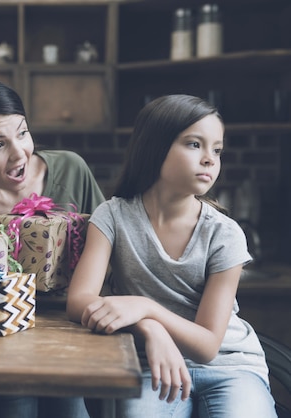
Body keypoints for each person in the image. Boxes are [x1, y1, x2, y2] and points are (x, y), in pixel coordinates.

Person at [66, 94, 277, 418]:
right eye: (195, 144)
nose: (210, 159)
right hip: (152, 362)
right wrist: (150, 329)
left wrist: (145, 308)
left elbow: (207, 345)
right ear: (155, 147)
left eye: (216, 149)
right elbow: (79, 300)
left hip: (231, 367)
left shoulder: (225, 233)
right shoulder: (113, 216)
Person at [0, 77, 105, 418]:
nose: (19, 153)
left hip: (76, 337)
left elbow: (112, 247)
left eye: (22, 133)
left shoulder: (72, 169)